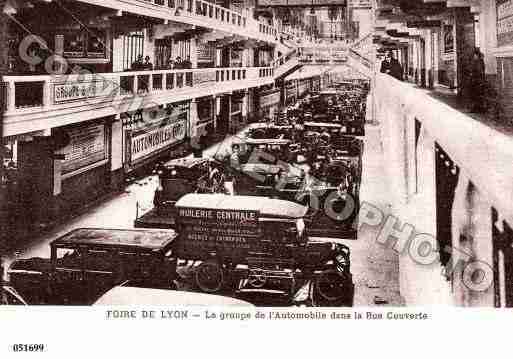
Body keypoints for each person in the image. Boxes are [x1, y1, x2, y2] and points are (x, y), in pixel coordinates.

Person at [469, 48, 486, 113]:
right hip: (478, 80)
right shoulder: (479, 61)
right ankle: (478, 108)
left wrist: (472, 74)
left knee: (476, 95)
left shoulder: (478, 62)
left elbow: (479, 71)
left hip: (477, 81)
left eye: (474, 55)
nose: (474, 57)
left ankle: (477, 109)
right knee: (477, 95)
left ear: (476, 55)